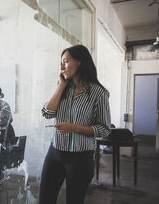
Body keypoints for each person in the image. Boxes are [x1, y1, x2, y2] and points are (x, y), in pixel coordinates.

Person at [39, 45, 111, 204]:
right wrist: (61, 85)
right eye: (61, 63)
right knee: (45, 199)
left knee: (74, 200)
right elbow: (47, 113)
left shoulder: (99, 93)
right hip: (55, 152)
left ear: (79, 62)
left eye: (65, 61)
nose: (62, 67)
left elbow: (105, 130)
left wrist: (73, 127)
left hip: (80, 157)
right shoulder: (63, 87)